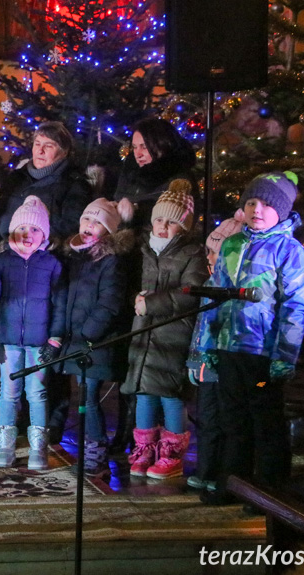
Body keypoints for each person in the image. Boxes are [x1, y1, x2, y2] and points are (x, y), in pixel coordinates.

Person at [189, 172, 304, 505]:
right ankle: (234, 483)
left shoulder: (290, 252)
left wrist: (283, 357)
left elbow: (295, 310)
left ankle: (269, 491)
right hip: (228, 349)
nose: (257, 209)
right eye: (251, 202)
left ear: (283, 211)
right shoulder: (232, 244)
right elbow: (212, 296)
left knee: (265, 421)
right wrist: (205, 346)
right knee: (233, 419)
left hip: (262, 357)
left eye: (267, 204)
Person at [120, 182, 208, 480]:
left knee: (170, 395)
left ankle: (172, 452)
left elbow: (190, 293)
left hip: (173, 334)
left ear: (183, 227)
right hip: (145, 333)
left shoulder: (192, 253)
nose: (162, 226)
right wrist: (137, 299)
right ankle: (144, 448)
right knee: (144, 392)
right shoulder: (146, 251)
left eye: (171, 222)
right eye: (159, 219)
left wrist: (152, 303)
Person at [0, 196, 65, 470]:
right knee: (9, 392)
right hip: (8, 341)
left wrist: (55, 337)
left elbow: (59, 303)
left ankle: (38, 448)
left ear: (45, 235)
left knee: (37, 392)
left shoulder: (51, 264)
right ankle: (6, 446)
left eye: (36, 230)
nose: (28, 235)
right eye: (23, 229)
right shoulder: (1, 262)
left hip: (39, 342)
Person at [61, 197, 135, 476]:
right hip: (79, 340)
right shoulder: (77, 257)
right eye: (86, 220)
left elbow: (110, 303)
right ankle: (91, 448)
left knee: (89, 396)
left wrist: (87, 332)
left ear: (109, 230)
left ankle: (97, 451)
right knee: (83, 396)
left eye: (97, 222)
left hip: (95, 342)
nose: (89, 226)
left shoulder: (110, 261)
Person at [186, 210, 245, 492]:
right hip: (205, 365)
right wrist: (194, 360)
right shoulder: (210, 284)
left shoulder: (235, 289)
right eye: (208, 251)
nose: (208, 258)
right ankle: (206, 470)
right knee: (207, 419)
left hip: (226, 365)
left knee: (226, 420)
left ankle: (222, 475)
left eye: (214, 252)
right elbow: (200, 328)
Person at [0, 121, 98, 250]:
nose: (40, 151)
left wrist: (30, 244)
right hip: (1, 252)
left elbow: (71, 226)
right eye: (37, 144)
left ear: (64, 152)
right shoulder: (15, 179)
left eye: (48, 146)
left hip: (42, 256)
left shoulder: (74, 184)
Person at [113, 117, 196, 228]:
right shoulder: (130, 171)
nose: (138, 154)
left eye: (144, 147)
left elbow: (172, 229)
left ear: (164, 145)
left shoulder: (179, 182)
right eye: (135, 147)